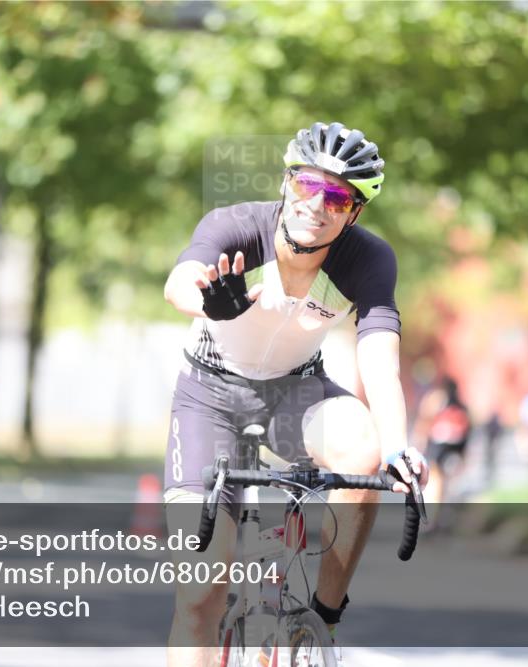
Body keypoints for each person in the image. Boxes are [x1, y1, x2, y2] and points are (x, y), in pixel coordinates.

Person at [161, 121, 428, 666]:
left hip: (296, 394)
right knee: (201, 593)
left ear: (353, 212)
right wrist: (207, 302)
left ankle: (323, 620)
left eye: (337, 196)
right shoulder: (236, 225)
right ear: (287, 182)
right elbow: (179, 280)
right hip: (210, 397)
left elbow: (379, 351)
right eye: (308, 184)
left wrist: (400, 447)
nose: (317, 203)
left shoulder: (367, 259)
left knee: (365, 449)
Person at [413, 375, 471, 507]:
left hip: (444, 446)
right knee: (437, 477)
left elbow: (424, 422)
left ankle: (436, 509)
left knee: (438, 478)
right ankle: (436, 508)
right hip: (444, 446)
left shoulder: (440, 402)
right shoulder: (442, 402)